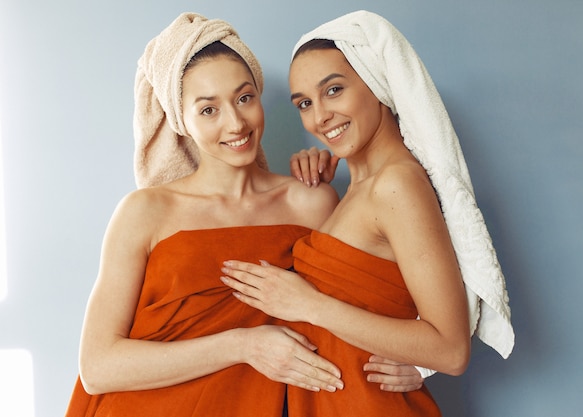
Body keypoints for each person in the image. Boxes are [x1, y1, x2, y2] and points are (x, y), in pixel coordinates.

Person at [64, 12, 424, 417]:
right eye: (208, 110)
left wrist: (420, 366)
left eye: (244, 98)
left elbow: (368, 304)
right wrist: (242, 345)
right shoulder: (144, 212)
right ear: (181, 121)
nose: (235, 123)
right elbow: (97, 367)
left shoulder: (310, 202)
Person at [221, 10, 515, 416]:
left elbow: (450, 350)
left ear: (376, 82)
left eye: (334, 90)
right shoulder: (357, 189)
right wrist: (321, 186)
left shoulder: (397, 185)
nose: (319, 116)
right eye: (304, 103)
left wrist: (309, 305)